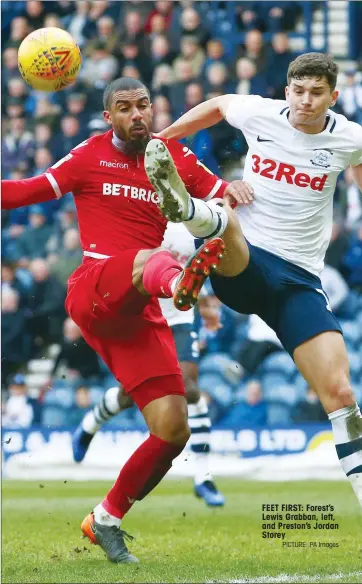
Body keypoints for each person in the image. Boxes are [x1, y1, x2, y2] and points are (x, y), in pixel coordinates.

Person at [1, 76, 246, 563]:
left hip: (140, 309)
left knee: (173, 429)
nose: (137, 114)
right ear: (108, 116)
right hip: (96, 287)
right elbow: (26, 191)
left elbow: (223, 195)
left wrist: (234, 189)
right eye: (124, 108)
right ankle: (180, 284)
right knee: (144, 259)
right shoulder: (88, 155)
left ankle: (106, 518)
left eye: (143, 105)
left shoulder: (171, 156)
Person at [145, 53, 362, 509]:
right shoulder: (260, 113)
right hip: (244, 262)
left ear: (333, 97)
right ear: (287, 91)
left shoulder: (349, 139)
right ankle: (186, 209)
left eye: (316, 93)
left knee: (341, 395)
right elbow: (220, 104)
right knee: (230, 223)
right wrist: (163, 139)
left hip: (300, 280)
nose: (305, 101)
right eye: (298, 91)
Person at [72, 222, 225, 507]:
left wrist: (205, 308)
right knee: (129, 396)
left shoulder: (190, 217)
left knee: (189, 389)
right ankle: (90, 424)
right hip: (144, 317)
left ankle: (203, 476)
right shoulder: (136, 218)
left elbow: (195, 267)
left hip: (180, 317)